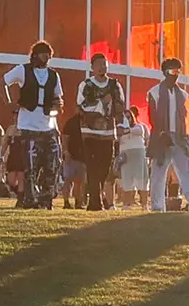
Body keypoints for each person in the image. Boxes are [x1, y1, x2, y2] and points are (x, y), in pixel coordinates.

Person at [9, 41, 68, 209]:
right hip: (28, 125)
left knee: (53, 164)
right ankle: (29, 199)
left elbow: (59, 98)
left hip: (48, 125)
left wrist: (58, 106)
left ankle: (46, 199)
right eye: (44, 53)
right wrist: (10, 102)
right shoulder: (23, 70)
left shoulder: (53, 75)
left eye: (49, 54)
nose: (47, 57)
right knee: (30, 167)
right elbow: (3, 83)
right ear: (35, 55)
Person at [71, 50, 129, 213]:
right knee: (92, 165)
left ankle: (99, 193)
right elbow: (81, 104)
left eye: (105, 64)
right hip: (89, 131)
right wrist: (101, 102)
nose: (102, 67)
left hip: (108, 132)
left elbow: (120, 104)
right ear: (92, 68)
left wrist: (119, 121)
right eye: (99, 65)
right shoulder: (86, 85)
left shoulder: (114, 84)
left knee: (105, 165)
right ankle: (94, 201)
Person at [147, 54, 189, 211]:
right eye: (173, 71)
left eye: (178, 71)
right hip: (162, 137)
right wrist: (161, 134)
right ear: (166, 72)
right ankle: (157, 207)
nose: (176, 75)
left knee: (186, 172)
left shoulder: (183, 94)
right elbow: (152, 117)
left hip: (180, 137)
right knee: (159, 174)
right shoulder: (154, 92)